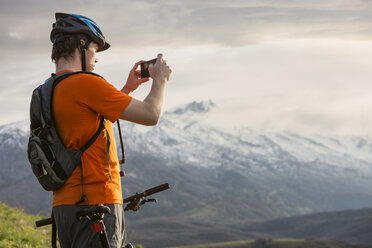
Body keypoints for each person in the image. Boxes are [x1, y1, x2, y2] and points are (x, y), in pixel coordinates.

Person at [49, 13, 171, 248]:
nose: (97, 58)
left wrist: (126, 89)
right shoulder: (86, 83)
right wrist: (161, 80)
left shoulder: (49, 89)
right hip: (96, 204)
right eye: (95, 49)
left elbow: (90, 126)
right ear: (82, 46)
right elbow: (150, 114)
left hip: (64, 207)